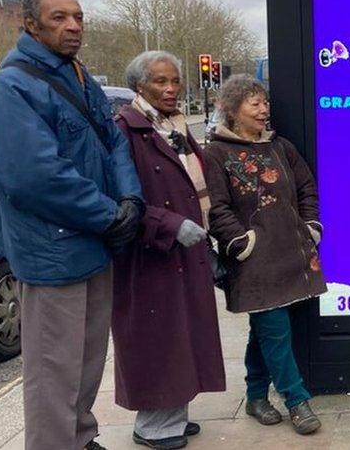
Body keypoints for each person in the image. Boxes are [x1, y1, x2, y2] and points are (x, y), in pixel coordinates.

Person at [0, 0, 144, 450]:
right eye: (59, 18)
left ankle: (80, 438)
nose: (73, 26)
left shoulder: (78, 74)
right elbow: (36, 177)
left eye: (78, 16)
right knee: (54, 370)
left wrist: (130, 200)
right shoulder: (12, 87)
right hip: (52, 251)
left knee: (88, 361)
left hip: (94, 242)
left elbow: (113, 141)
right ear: (28, 24)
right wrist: (111, 215)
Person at [113, 51, 226, 450]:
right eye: (160, 81)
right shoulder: (126, 129)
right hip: (152, 254)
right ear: (139, 86)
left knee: (182, 336)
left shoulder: (174, 126)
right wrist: (170, 224)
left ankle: (172, 415)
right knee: (159, 339)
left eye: (175, 80)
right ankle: (154, 425)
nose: (171, 88)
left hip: (184, 248)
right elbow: (121, 198)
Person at [203, 75, 326, 436]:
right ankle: (296, 399)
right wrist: (240, 241)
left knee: (264, 329)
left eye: (264, 102)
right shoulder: (216, 154)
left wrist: (312, 225)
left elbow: (306, 187)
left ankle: (256, 395)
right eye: (253, 103)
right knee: (275, 330)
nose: (263, 110)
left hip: (290, 252)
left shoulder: (281, 147)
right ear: (231, 109)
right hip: (253, 260)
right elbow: (217, 206)